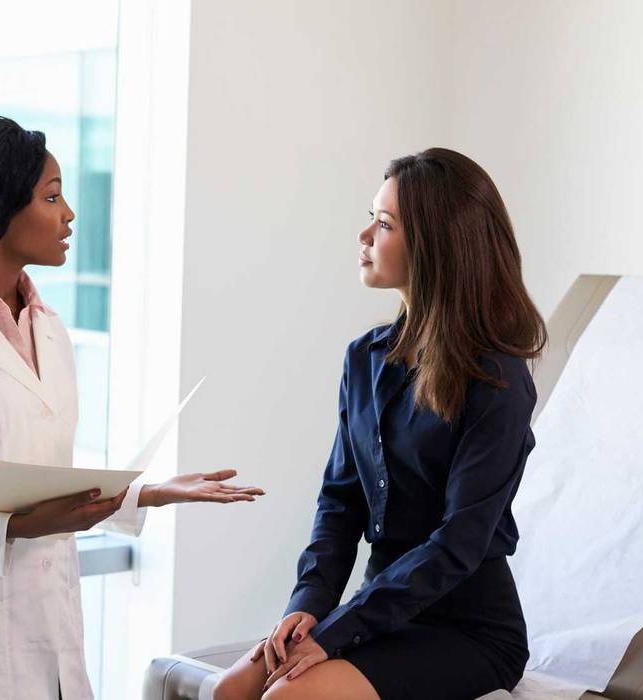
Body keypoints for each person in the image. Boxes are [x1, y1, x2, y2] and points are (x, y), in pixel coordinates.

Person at [0, 115, 264, 700]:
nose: (69, 213)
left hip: (52, 632)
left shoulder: (49, 330)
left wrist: (147, 493)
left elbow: (38, 479)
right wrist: (12, 529)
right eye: (51, 196)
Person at [213, 148, 546, 700]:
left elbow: (459, 543)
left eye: (384, 224)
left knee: (286, 697)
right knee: (232, 690)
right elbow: (339, 504)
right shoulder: (364, 358)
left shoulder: (498, 380)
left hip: (469, 631)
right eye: (372, 216)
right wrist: (309, 607)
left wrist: (342, 628)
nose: (364, 235)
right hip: (381, 611)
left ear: (436, 246)